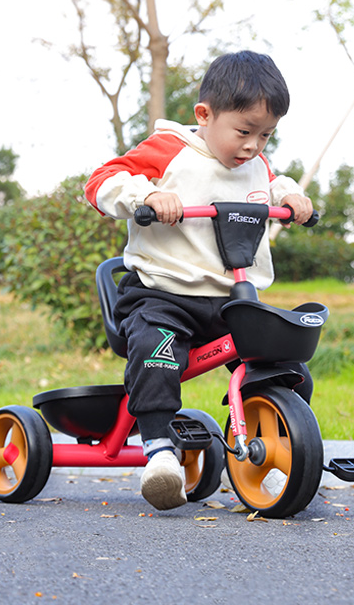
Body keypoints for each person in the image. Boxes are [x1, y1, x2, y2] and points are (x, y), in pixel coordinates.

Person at [84, 51, 314, 511]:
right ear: (204, 116)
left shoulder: (254, 163)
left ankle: (271, 433)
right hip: (163, 294)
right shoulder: (171, 151)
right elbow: (102, 180)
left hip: (231, 298)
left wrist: (290, 194)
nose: (253, 145)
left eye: (266, 134)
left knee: (284, 360)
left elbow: (271, 182)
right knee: (156, 350)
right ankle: (160, 455)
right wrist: (147, 193)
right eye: (244, 131)